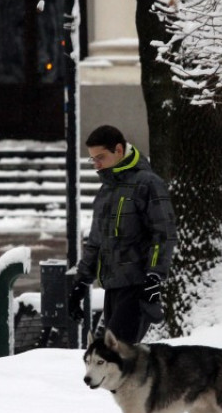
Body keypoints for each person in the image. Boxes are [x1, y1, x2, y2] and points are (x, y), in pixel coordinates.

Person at [68, 125, 178, 345]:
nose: (96, 165)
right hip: (113, 286)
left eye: (100, 157)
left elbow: (164, 233)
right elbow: (96, 242)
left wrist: (154, 275)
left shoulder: (147, 183)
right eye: (92, 160)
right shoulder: (107, 190)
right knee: (116, 359)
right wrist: (80, 283)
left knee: (117, 355)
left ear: (118, 150)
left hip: (137, 285)